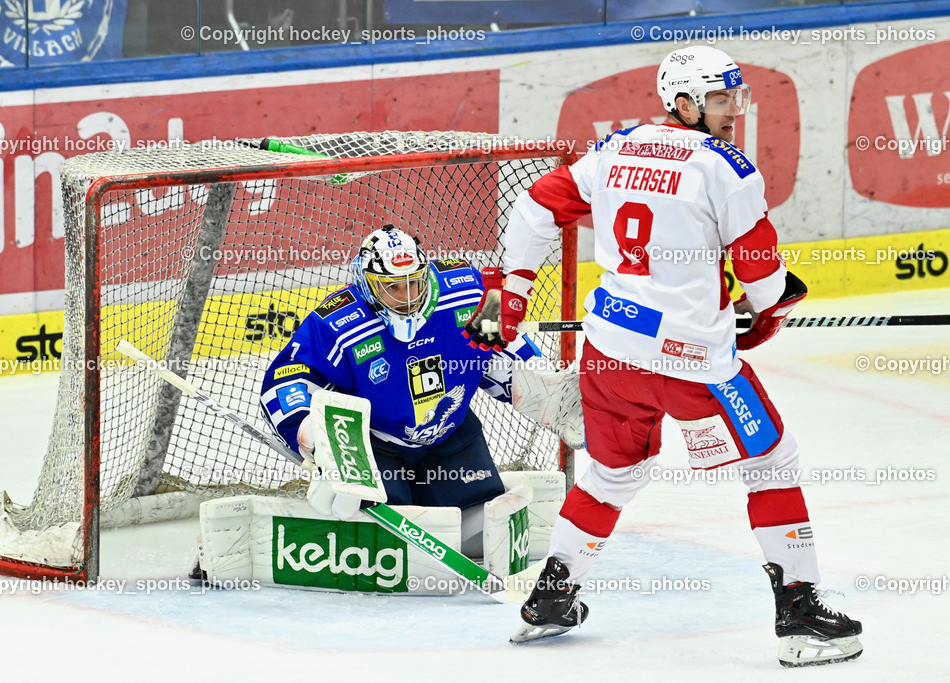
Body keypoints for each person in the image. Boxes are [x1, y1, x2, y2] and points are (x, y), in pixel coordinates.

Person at [471, 46, 862, 666]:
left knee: (611, 474)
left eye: (737, 96)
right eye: (720, 99)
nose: (734, 110)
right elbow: (763, 282)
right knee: (772, 462)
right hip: (695, 368)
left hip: (611, 355)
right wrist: (770, 309)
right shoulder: (727, 168)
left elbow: (535, 208)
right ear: (684, 103)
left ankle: (553, 595)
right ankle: (800, 612)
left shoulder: (614, 148)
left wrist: (511, 293)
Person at [259, 224, 560, 555]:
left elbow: (499, 351)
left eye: (413, 283)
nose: (407, 297)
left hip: (451, 437)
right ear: (368, 285)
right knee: (380, 540)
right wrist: (321, 442)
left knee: (483, 527)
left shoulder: (466, 292)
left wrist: (544, 386)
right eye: (392, 288)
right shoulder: (338, 321)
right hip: (374, 447)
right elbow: (285, 383)